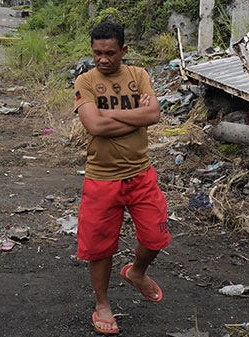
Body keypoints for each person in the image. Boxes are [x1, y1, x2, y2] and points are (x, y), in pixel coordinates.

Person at [73, 21, 170, 335]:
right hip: (102, 178)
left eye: (110, 53)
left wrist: (109, 116)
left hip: (141, 174)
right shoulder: (85, 81)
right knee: (100, 248)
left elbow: (154, 115)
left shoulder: (139, 75)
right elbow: (95, 127)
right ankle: (102, 304)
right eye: (97, 53)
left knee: (156, 237)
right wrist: (135, 118)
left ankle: (137, 272)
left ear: (123, 51)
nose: (103, 59)